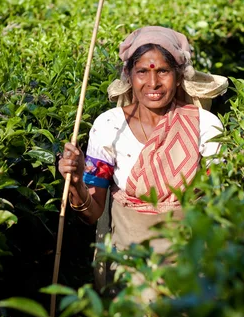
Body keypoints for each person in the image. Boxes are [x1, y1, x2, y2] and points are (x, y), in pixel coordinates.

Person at [59, 26, 228, 260]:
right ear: (129, 76)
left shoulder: (205, 125)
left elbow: (219, 201)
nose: (153, 82)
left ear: (179, 77)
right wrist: (76, 182)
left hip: (190, 262)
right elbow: (92, 213)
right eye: (142, 72)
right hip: (129, 264)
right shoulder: (110, 126)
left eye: (163, 72)